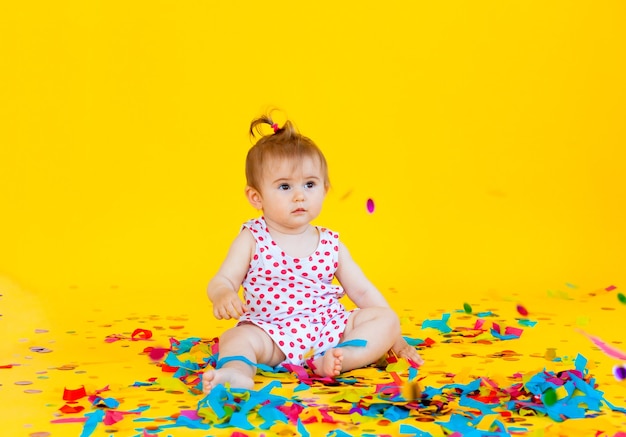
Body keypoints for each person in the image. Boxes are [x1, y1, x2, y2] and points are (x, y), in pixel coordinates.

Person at [202, 113, 424, 394]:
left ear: (325, 189)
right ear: (256, 197)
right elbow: (223, 279)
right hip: (272, 332)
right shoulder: (252, 238)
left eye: (310, 184)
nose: (299, 196)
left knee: (386, 318)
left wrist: (396, 337)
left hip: (330, 327)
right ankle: (235, 372)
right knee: (236, 336)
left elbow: (365, 293)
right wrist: (222, 294)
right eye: (285, 186)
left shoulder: (331, 243)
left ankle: (340, 358)